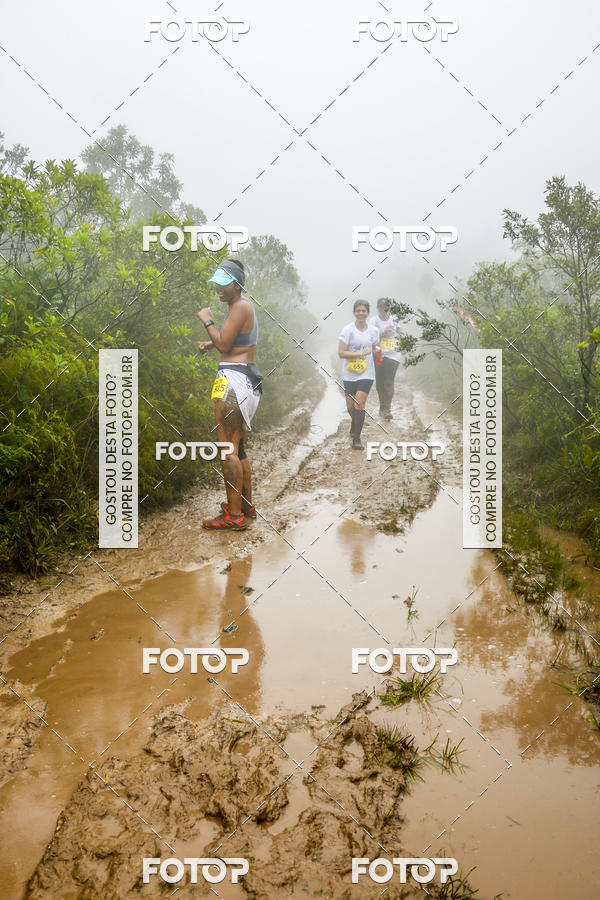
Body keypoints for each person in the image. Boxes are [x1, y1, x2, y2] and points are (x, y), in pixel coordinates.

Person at [197, 259, 262, 530]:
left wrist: (207, 320)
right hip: (245, 381)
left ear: (237, 284)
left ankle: (233, 516)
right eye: (216, 283)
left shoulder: (240, 306)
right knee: (239, 448)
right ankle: (245, 506)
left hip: (233, 383)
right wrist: (213, 343)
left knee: (227, 450)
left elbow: (225, 343)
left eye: (224, 284)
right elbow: (230, 340)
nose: (218, 289)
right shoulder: (241, 307)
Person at [338, 300, 380, 449]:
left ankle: (357, 439)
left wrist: (378, 353)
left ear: (368, 313)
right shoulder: (347, 330)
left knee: (359, 403)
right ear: (354, 312)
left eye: (364, 311)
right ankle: (354, 422)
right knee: (350, 406)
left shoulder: (374, 331)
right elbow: (341, 353)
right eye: (358, 311)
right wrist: (360, 353)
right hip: (349, 373)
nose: (361, 313)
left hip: (366, 373)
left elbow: (375, 347)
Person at [369, 297, 403, 420]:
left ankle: (387, 409)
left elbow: (398, 327)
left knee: (389, 381)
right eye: (382, 307)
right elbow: (370, 337)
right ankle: (382, 406)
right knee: (380, 382)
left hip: (393, 353)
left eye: (386, 307)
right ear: (378, 308)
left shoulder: (394, 318)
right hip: (379, 353)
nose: (384, 309)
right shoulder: (373, 321)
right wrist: (383, 331)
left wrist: (401, 334)